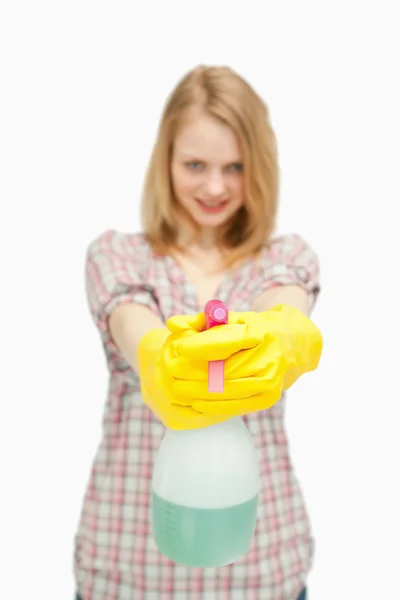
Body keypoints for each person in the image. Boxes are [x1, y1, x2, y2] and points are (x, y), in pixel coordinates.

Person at [73, 65, 323, 600]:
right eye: (195, 164)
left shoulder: (283, 257)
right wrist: (155, 353)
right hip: (128, 572)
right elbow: (128, 312)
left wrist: (283, 332)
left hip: (261, 574)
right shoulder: (118, 255)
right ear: (165, 163)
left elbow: (285, 295)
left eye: (235, 166)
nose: (215, 186)